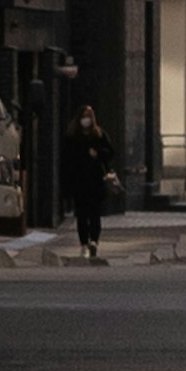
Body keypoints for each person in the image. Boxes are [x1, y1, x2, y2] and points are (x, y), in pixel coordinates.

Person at [63, 92, 113, 259]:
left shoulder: (99, 135)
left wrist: (97, 153)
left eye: (89, 117)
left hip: (95, 180)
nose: (86, 120)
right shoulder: (72, 137)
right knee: (82, 215)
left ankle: (94, 241)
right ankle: (84, 242)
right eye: (84, 117)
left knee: (95, 213)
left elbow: (111, 152)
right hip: (79, 182)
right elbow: (67, 160)